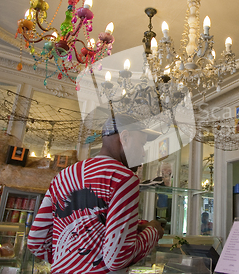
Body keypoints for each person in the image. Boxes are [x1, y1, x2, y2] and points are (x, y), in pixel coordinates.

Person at [28, 114, 164, 274]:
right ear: (125, 137)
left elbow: (36, 241)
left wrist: (72, 262)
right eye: (141, 145)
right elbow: (117, 259)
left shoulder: (63, 175)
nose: (142, 154)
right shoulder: (123, 178)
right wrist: (153, 231)